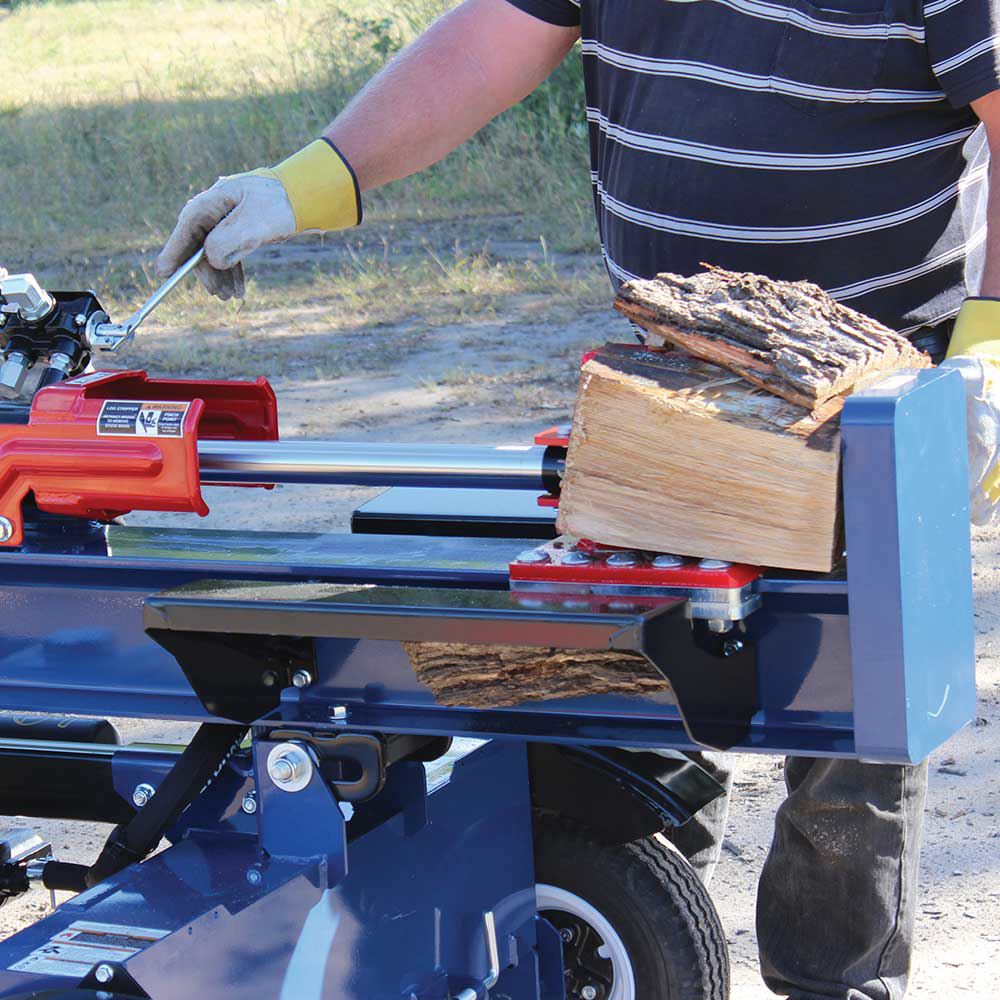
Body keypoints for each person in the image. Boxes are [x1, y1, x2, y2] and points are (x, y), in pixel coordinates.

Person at [156, 3, 1000, 997]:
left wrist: (988, 352)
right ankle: (627, 928)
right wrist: (302, 182)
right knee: (629, 683)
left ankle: (835, 982)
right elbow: (487, 44)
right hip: (666, 390)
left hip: (863, 404)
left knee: (845, 737)